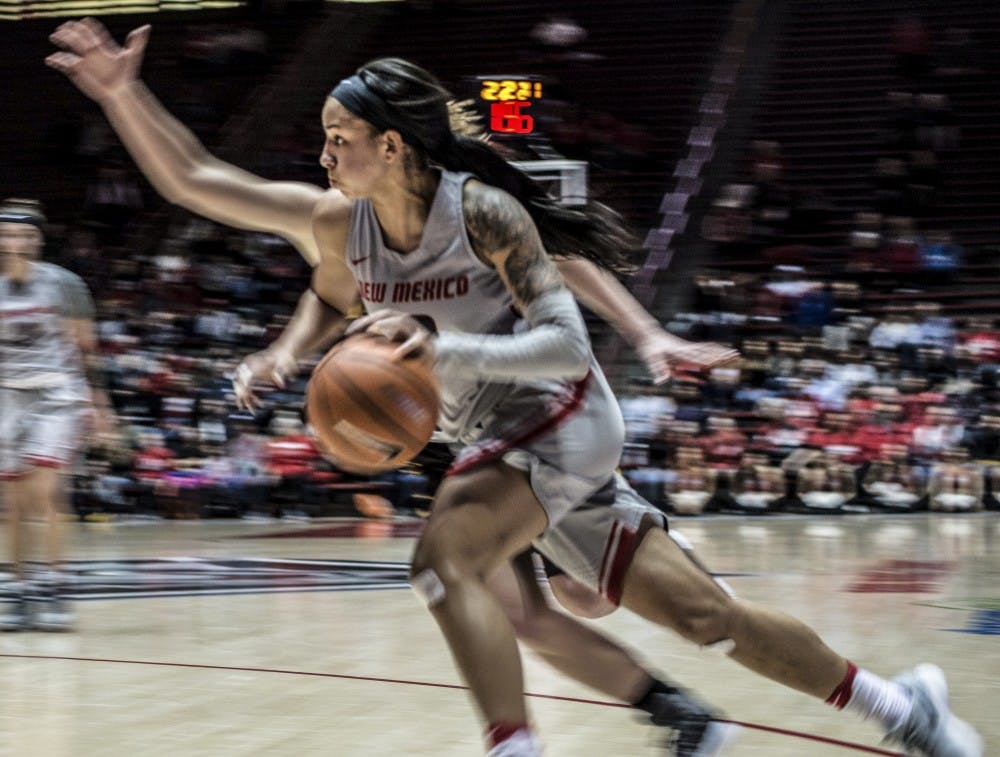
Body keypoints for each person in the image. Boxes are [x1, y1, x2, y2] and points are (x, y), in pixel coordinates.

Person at [48, 20, 983, 757]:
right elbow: (198, 178)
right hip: (498, 444)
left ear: (394, 145)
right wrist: (127, 96)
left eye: (339, 139)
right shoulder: (339, 226)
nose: (323, 155)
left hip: (563, 417)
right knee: (708, 617)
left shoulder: (485, 212)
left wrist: (436, 356)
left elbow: (568, 350)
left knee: (443, 561)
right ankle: (903, 707)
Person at [1, 198, 115, 631]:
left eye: (24, 234)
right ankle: (16, 588)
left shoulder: (65, 284)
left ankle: (53, 587)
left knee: (45, 493)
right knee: (11, 501)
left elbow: (87, 350)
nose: (15, 242)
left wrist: (99, 403)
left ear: (39, 240)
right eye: (8, 234)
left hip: (55, 393)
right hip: (6, 396)